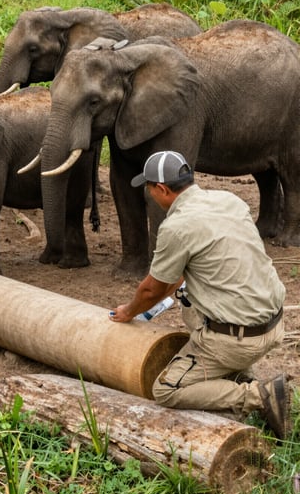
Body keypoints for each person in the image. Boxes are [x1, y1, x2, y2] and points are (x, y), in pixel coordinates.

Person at [110, 150, 292, 439]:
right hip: (273, 325)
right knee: (194, 305)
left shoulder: (176, 226)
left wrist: (129, 312)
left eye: (149, 188)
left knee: (167, 390)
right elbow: (199, 266)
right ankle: (238, 373)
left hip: (239, 339)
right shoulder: (229, 200)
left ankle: (258, 395)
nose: (150, 194)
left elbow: (151, 289)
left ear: (162, 189)